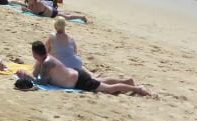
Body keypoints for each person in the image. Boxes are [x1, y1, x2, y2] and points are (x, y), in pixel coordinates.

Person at [19, 41, 152, 96]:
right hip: (76, 74)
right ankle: (127, 81)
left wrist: (25, 75)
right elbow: (42, 77)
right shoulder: (46, 59)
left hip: (79, 81)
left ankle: (137, 89)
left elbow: (41, 82)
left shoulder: (47, 63)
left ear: (35, 54)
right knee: (101, 80)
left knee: (109, 89)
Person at [21, 0, 88, 23]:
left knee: (67, 18)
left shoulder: (38, 4)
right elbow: (26, 6)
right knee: (64, 14)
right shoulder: (31, 1)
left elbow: (35, 13)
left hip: (53, 13)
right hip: (49, 9)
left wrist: (27, 10)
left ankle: (82, 17)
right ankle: (66, 13)